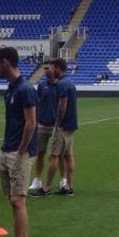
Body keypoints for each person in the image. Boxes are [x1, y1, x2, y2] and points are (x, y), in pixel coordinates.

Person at [0, 46, 37, 237]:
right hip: (7, 148)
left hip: (19, 152)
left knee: (17, 200)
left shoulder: (25, 89)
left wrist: (21, 150)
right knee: (14, 199)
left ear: (7, 62)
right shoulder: (11, 89)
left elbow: (31, 122)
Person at [45, 57, 79, 195]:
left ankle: (46, 188)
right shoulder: (70, 83)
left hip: (62, 126)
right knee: (68, 156)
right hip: (71, 125)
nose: (50, 70)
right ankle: (68, 187)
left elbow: (62, 105)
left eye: (52, 67)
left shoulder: (61, 84)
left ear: (58, 68)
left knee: (54, 156)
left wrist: (57, 124)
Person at [28, 64, 58, 197]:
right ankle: (37, 180)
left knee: (58, 154)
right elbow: (38, 103)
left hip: (56, 125)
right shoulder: (41, 85)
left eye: (49, 68)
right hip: (42, 124)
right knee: (40, 153)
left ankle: (63, 180)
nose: (46, 71)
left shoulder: (61, 85)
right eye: (44, 68)